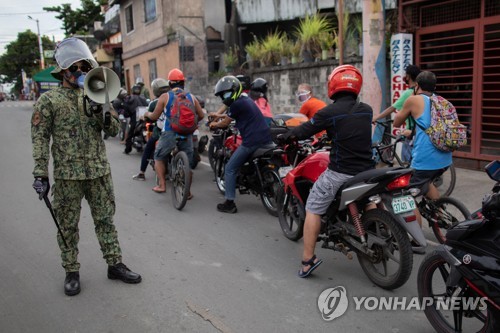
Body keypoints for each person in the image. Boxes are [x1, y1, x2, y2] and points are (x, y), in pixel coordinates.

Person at [31, 37, 141, 296]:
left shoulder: (97, 94)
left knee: (105, 220)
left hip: (98, 172)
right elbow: (39, 140)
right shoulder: (49, 102)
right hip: (68, 176)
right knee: (68, 225)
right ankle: (71, 270)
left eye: (83, 68)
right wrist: (40, 174)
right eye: (74, 69)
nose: (79, 73)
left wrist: (100, 109)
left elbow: (114, 130)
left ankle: (114, 264)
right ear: (63, 72)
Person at [278, 65, 375, 278]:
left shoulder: (328, 112)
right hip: (368, 170)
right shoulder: (366, 110)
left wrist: (288, 136)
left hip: (341, 172)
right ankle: (377, 229)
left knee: (313, 206)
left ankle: (307, 260)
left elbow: (305, 129)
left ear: (333, 85)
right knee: (369, 200)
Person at [394, 71, 452, 229]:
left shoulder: (413, 99)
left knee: (402, 194)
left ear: (417, 85)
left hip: (425, 159)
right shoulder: (440, 100)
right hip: (445, 159)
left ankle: (414, 237)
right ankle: (440, 214)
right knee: (426, 182)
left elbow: (397, 122)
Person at [209, 75, 274, 213]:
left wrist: (215, 124)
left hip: (252, 141)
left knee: (230, 168)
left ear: (234, 91)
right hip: (266, 138)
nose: (224, 97)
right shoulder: (244, 99)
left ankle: (229, 203)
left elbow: (226, 123)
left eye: (225, 93)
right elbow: (229, 113)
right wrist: (218, 115)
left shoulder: (237, 104)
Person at [144, 68, 205, 194]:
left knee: (159, 157)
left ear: (170, 83)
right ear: (183, 83)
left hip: (169, 133)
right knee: (186, 163)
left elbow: (154, 116)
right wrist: (192, 124)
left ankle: (162, 185)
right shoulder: (191, 97)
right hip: (187, 133)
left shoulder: (165, 97)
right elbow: (201, 115)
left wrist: (147, 114)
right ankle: (187, 192)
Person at [373, 65, 421, 161]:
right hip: (421, 132)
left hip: (411, 133)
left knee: (407, 164)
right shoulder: (421, 91)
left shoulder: (408, 93)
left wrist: (376, 117)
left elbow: (392, 108)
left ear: (408, 76)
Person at [132, 78, 170, 181]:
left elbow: (149, 116)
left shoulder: (154, 103)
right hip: (174, 130)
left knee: (148, 149)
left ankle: (141, 173)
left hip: (161, 132)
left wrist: (145, 116)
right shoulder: (172, 98)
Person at [123, 84, 148, 154]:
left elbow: (126, 110)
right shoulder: (143, 98)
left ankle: (127, 149)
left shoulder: (129, 98)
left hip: (135, 119)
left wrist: (127, 114)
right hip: (145, 118)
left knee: (129, 135)